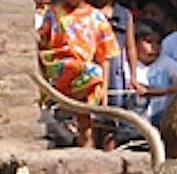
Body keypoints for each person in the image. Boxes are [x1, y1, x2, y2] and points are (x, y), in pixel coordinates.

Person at [37, 0, 121, 148]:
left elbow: (105, 57)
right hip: (57, 69)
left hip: (83, 79)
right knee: (73, 66)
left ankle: (87, 153)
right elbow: (42, 43)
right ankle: (64, 107)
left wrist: (104, 89)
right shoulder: (53, 13)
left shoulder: (97, 18)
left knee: (85, 124)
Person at [116, 18, 177, 144]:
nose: (154, 47)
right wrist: (168, 91)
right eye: (148, 42)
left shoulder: (164, 61)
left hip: (160, 124)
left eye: (158, 43)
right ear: (134, 43)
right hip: (132, 127)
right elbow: (141, 90)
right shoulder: (126, 65)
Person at [94, 0, 138, 148]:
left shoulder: (124, 15)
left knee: (113, 116)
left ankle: (110, 152)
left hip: (116, 69)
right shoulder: (89, 12)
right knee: (94, 114)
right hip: (95, 65)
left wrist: (133, 76)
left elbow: (130, 47)